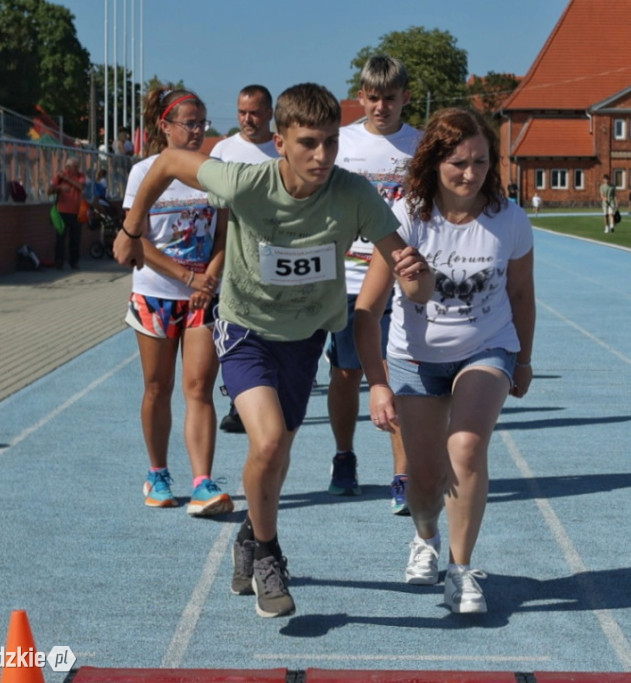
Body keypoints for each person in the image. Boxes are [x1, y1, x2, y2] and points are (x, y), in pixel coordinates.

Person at [114, 83, 434, 618]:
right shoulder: (245, 181)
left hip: (305, 340)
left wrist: (415, 275)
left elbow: (405, 265)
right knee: (264, 443)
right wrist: (130, 227)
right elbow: (168, 160)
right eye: (308, 143)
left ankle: (249, 535)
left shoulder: (354, 194)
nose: (322, 156)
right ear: (280, 141)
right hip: (245, 331)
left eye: (330, 142)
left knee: (276, 456)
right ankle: (268, 554)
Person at [354, 107, 535, 614]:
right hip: (414, 358)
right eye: (458, 162)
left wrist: (523, 359)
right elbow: (367, 310)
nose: (469, 173)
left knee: (467, 446)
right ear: (434, 162)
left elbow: (522, 294)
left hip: (487, 346)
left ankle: (461, 569)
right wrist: (379, 384)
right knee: (426, 480)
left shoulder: (510, 221)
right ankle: (425, 537)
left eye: (480, 162)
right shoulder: (408, 218)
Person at [122, 88, 232, 518]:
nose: (198, 131)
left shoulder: (217, 171)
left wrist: (211, 276)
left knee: (200, 388)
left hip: (205, 297)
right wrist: (187, 277)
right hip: (156, 294)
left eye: (202, 122)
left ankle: (202, 482)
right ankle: (157, 472)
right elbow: (136, 241)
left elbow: (225, 233)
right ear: (165, 127)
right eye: (190, 123)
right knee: (157, 387)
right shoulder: (143, 172)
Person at [327, 55, 421, 513]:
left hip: (401, 281)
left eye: (390, 98)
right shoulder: (341, 143)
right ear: (360, 96)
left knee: (399, 375)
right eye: (373, 97)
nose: (381, 106)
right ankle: (344, 457)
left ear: (405, 96)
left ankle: (402, 474)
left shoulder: (421, 147)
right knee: (346, 374)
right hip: (349, 278)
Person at [209, 84, 279, 435]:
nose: (247, 119)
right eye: (241, 112)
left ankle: (274, 393)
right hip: (236, 260)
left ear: (269, 113)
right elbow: (218, 212)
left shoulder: (282, 150)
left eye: (254, 112)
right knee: (237, 331)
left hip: (277, 256)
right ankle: (239, 401)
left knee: (274, 333)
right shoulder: (223, 150)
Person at [48, 156, 85, 269]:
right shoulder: (60, 177)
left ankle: (74, 262)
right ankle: (59, 261)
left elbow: (81, 186)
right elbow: (49, 190)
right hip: (62, 211)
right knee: (60, 238)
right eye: (75, 166)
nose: (77, 169)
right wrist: (60, 187)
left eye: (78, 166)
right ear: (68, 167)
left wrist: (67, 179)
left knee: (75, 239)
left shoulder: (80, 176)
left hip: (76, 212)